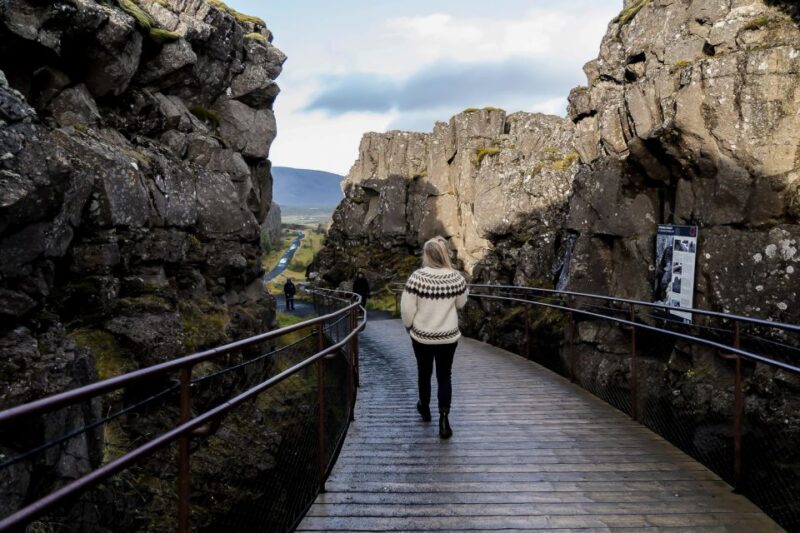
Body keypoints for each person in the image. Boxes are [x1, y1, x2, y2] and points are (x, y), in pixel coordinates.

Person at [401, 236, 468, 439]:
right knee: (444, 375)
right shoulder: (456, 277)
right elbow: (461, 304)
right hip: (448, 337)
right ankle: (444, 420)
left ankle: (425, 408)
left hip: (422, 336)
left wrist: (409, 326)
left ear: (427, 255)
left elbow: (406, 309)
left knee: (424, 373)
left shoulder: (417, 278)